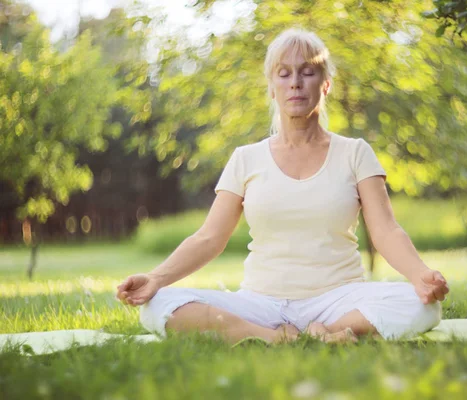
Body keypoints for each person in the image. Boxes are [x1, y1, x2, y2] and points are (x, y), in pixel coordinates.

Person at [116, 28, 449, 345]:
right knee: (159, 305)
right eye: (284, 74)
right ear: (272, 86)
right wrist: (156, 279)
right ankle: (272, 337)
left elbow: (387, 232)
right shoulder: (246, 158)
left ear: (326, 84)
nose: (295, 84)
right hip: (261, 304)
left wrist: (420, 275)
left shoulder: (355, 152)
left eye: (307, 72)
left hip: (340, 299)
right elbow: (209, 238)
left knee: (422, 305)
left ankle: (327, 330)